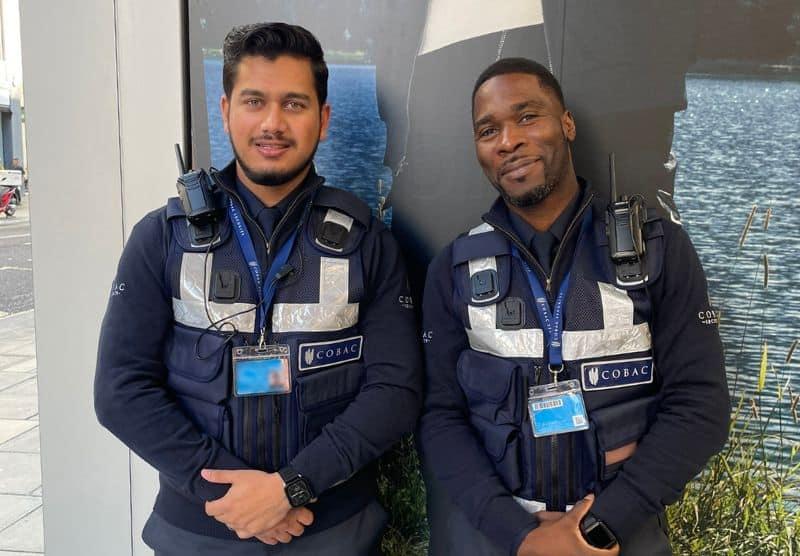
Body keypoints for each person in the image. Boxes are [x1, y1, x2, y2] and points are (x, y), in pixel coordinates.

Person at [95, 22, 422, 555]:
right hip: (198, 532)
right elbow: (120, 391)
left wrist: (292, 486)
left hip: (334, 531)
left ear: (324, 119)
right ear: (225, 111)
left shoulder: (369, 243)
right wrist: (233, 496)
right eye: (254, 101)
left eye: (294, 104)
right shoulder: (160, 237)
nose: (272, 123)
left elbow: (396, 391)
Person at [418, 58, 730, 556]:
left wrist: (599, 528)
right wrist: (521, 538)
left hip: (618, 539)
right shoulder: (453, 268)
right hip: (490, 539)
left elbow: (701, 407)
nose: (508, 141)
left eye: (527, 117)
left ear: (566, 123)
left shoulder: (656, 249)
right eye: (488, 129)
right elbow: (439, 417)